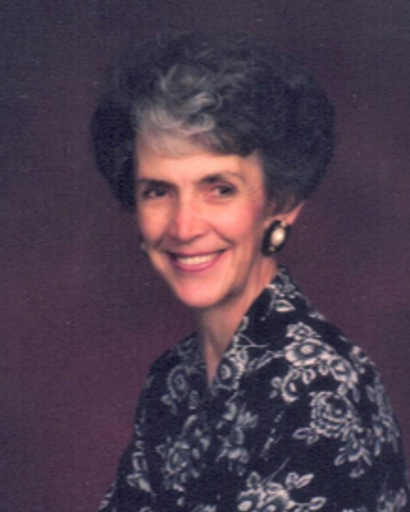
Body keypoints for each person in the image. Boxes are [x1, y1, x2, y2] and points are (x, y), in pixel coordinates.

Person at [91, 32, 409, 512]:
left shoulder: (317, 383)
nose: (184, 227)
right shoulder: (173, 378)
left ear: (281, 203)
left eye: (219, 189)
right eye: (158, 191)